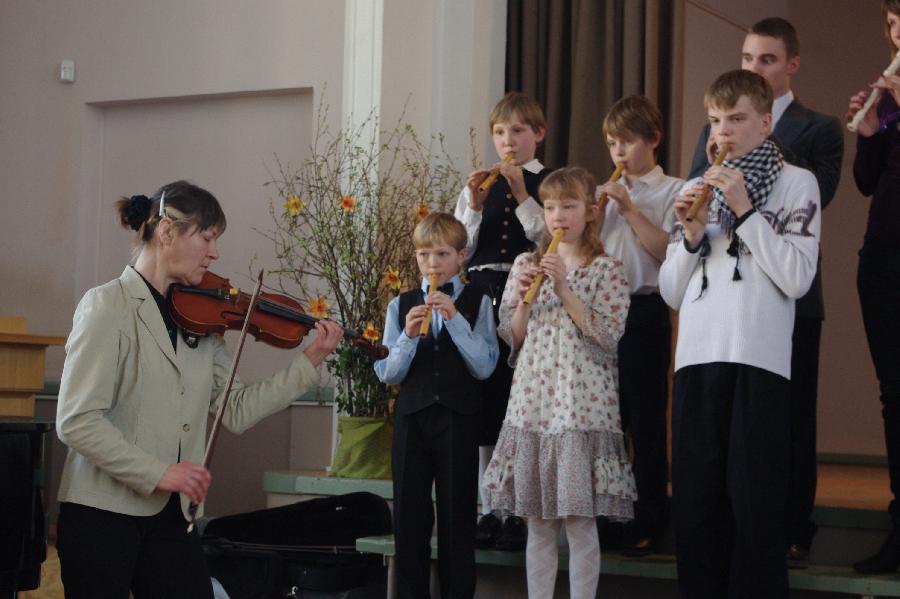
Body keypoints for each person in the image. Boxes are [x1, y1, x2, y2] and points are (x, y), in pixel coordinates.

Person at [55, 181, 344, 599]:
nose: (215, 252)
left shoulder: (200, 321)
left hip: (173, 518)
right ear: (168, 232)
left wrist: (310, 361)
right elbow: (77, 421)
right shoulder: (106, 306)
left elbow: (238, 409)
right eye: (207, 237)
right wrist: (161, 472)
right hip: (102, 515)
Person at [688, 18, 843, 566]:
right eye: (749, 58)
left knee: (791, 420)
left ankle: (794, 527)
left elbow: (813, 199)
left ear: (791, 64)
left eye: (767, 59)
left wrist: (752, 166)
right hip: (721, 305)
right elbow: (695, 198)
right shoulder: (716, 133)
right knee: (722, 440)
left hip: (789, 293)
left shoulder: (818, 129)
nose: (754, 67)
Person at [660, 70, 820, 598]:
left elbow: (797, 278)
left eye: (737, 119)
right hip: (698, 357)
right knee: (697, 506)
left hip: (758, 357)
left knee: (753, 507)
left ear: (765, 122)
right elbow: (670, 292)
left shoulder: (798, 182)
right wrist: (688, 234)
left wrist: (747, 210)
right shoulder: (695, 186)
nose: (724, 131)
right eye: (715, 120)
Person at [481, 167, 636, 599]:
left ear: (589, 211)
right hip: (535, 401)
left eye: (568, 206)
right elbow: (512, 337)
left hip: (582, 405)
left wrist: (564, 289)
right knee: (540, 521)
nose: (557, 216)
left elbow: (607, 336)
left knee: (580, 523)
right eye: (549, 207)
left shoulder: (607, 269)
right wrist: (526, 301)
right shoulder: (525, 264)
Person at [374, 212, 499, 599]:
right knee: (409, 519)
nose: (433, 263)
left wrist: (456, 321)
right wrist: (409, 337)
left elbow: (484, 366)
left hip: (458, 419)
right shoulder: (400, 305)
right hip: (413, 419)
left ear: (462, 256)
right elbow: (387, 372)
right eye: (424, 254)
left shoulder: (479, 302)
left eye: (442, 254)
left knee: (456, 518)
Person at [454, 91, 552, 551]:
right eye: (499, 132)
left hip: (528, 298)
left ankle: (517, 510)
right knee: (485, 403)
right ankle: (487, 507)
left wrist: (519, 192)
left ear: (538, 134)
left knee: (520, 404)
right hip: (481, 296)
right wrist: (474, 205)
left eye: (517, 130)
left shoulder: (550, 182)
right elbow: (462, 252)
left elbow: (549, 239)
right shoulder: (477, 184)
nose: (508, 140)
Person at [597, 95, 684, 556]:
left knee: (646, 421)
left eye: (627, 142)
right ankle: (610, 518)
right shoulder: (602, 196)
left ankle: (651, 518)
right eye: (612, 143)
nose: (619, 153)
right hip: (600, 313)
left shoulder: (675, 190)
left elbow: (668, 252)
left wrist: (630, 209)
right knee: (608, 423)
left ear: (653, 139)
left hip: (645, 310)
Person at [847, 0, 900, 575]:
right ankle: (898, 529)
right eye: (890, 23)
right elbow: (867, 182)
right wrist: (869, 130)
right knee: (895, 396)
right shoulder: (888, 97)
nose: (897, 32)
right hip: (884, 257)